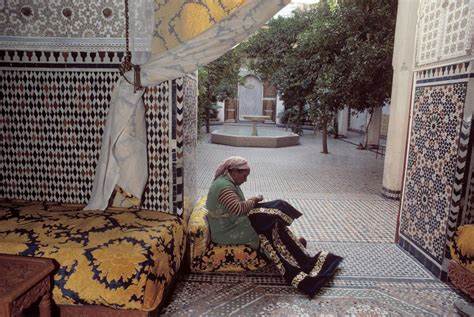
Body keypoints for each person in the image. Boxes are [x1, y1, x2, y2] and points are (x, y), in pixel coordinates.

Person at [206, 156, 343, 298]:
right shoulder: (224, 186)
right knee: (267, 229)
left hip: (233, 222)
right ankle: (292, 256)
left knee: (272, 223)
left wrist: (253, 203)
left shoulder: (227, 182)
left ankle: (293, 249)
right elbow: (239, 209)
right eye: (244, 176)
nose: (245, 180)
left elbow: (236, 209)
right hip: (227, 230)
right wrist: (254, 199)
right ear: (233, 171)